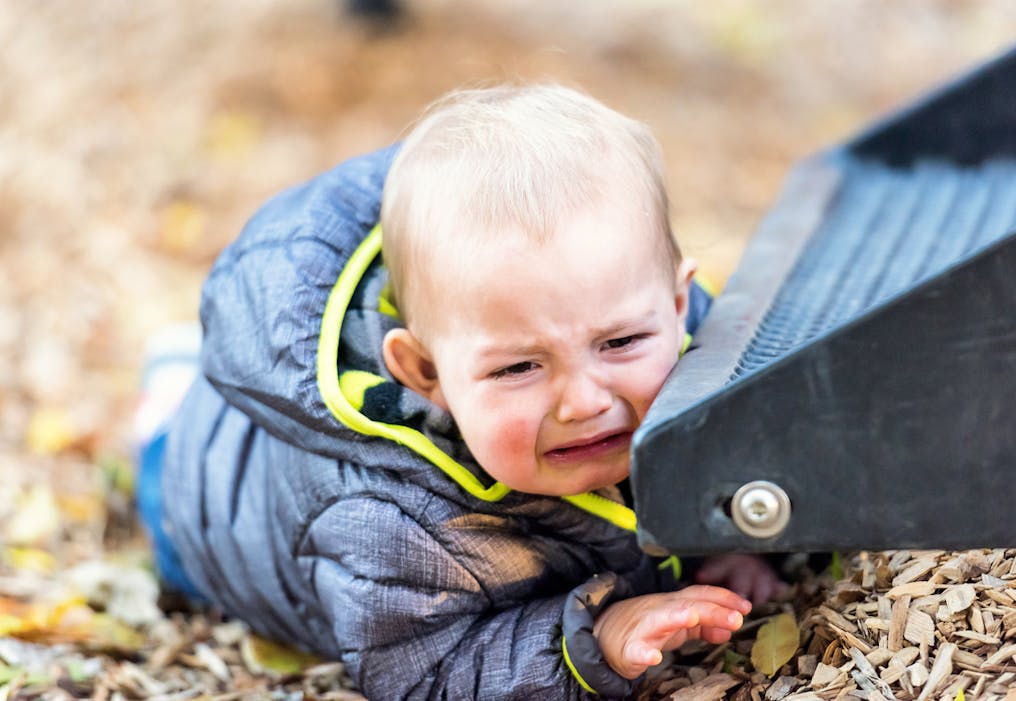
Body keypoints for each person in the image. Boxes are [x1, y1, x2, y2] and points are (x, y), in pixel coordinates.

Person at [142, 84, 786, 700]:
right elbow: (425, 671)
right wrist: (593, 642)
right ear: (424, 373)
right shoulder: (392, 525)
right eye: (519, 368)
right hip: (207, 500)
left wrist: (725, 535)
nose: (585, 402)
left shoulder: (699, 352)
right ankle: (166, 401)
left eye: (619, 342)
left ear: (677, 305)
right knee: (165, 470)